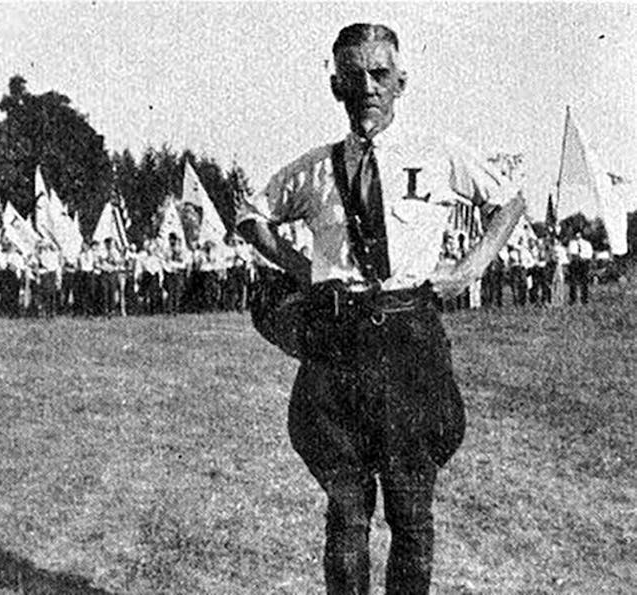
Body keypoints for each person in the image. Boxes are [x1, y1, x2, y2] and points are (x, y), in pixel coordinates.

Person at [237, 23, 523, 594]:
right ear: (336, 87)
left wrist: (469, 269)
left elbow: (507, 201)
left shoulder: (437, 153)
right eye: (353, 77)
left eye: (380, 74)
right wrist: (301, 268)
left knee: (411, 516)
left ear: (401, 81)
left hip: (411, 345)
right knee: (346, 515)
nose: (368, 87)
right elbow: (252, 213)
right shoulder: (317, 168)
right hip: (339, 348)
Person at [567, 231, 593, 304]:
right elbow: (570, 253)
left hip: (583, 263)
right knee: (573, 282)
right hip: (574, 263)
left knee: (584, 282)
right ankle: (573, 299)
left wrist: (584, 258)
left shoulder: (586, 243)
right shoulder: (571, 243)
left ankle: (584, 299)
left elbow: (589, 254)